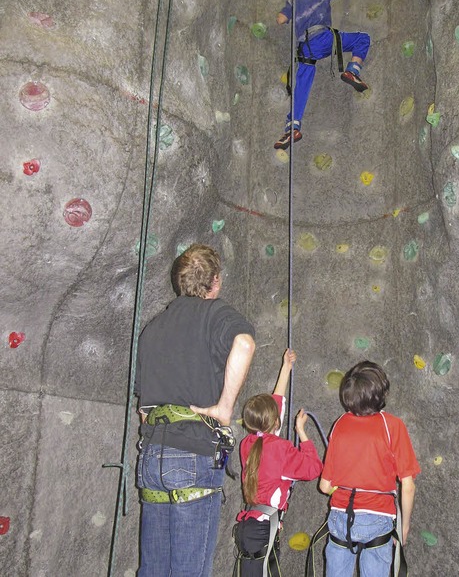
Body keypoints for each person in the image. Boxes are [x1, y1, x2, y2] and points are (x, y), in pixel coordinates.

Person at [135, 244, 256, 577]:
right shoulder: (215, 313)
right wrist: (224, 408)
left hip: (151, 458)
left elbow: (144, 410)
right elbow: (244, 343)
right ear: (214, 282)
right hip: (192, 454)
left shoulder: (152, 330)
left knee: (154, 570)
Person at [318, 361, 420, 577]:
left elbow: (325, 486)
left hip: (340, 517)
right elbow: (408, 486)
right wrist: (405, 526)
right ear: (381, 393)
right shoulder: (393, 426)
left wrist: (346, 490)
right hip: (377, 517)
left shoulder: (340, 423)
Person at [233, 349, 323, 576]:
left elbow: (274, 409)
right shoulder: (280, 449)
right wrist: (302, 433)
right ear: (275, 423)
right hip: (264, 530)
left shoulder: (248, 444)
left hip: (252, 526)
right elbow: (313, 469)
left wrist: (286, 368)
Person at [274, 0, 371, 150]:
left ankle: (293, 127)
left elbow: (280, 19)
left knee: (301, 86)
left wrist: (291, 12)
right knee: (362, 39)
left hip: (306, 48)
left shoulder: (293, 2)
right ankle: (352, 70)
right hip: (325, 39)